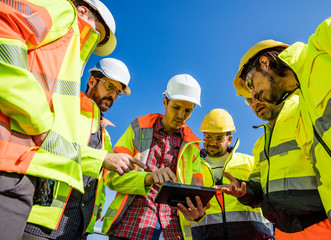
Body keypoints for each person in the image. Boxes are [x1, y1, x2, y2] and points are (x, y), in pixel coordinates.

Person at [0, 0, 118, 239]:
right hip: (12, 163)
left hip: (25, 170)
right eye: (96, 33)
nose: (89, 41)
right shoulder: (64, 10)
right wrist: (40, 122)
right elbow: (5, 23)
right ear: (83, 10)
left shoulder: (101, 125)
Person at [228, 36, 331, 238]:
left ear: (264, 63)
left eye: (251, 84)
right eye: (248, 99)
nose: (254, 98)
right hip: (288, 229)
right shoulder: (262, 143)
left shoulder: (303, 106)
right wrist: (246, 191)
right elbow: (260, 184)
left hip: (320, 226)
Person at [22, 58, 146, 240]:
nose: (113, 95)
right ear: (92, 81)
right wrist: (101, 159)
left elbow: (100, 184)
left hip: (78, 229)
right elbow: (49, 147)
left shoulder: (105, 135)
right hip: (40, 225)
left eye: (117, 92)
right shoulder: (64, 108)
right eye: (110, 87)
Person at [101, 74, 208, 240]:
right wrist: (147, 178)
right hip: (131, 227)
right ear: (165, 102)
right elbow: (111, 178)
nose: (181, 115)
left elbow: (195, 193)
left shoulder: (192, 147)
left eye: (188, 110)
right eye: (176, 107)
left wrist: (197, 211)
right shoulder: (138, 128)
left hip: (172, 232)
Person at [190, 108, 274, 240]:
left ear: (229, 139)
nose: (212, 142)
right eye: (208, 137)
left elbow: (266, 196)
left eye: (218, 138)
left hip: (253, 236)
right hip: (206, 236)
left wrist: (246, 194)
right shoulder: (192, 168)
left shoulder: (249, 162)